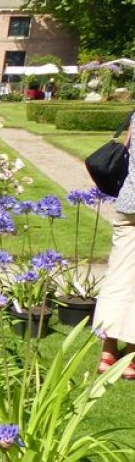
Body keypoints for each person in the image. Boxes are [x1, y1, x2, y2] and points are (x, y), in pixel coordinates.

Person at [96, 110, 135, 380]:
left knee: (119, 275)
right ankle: (132, 357)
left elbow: (127, 149)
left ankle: (108, 353)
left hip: (129, 203)